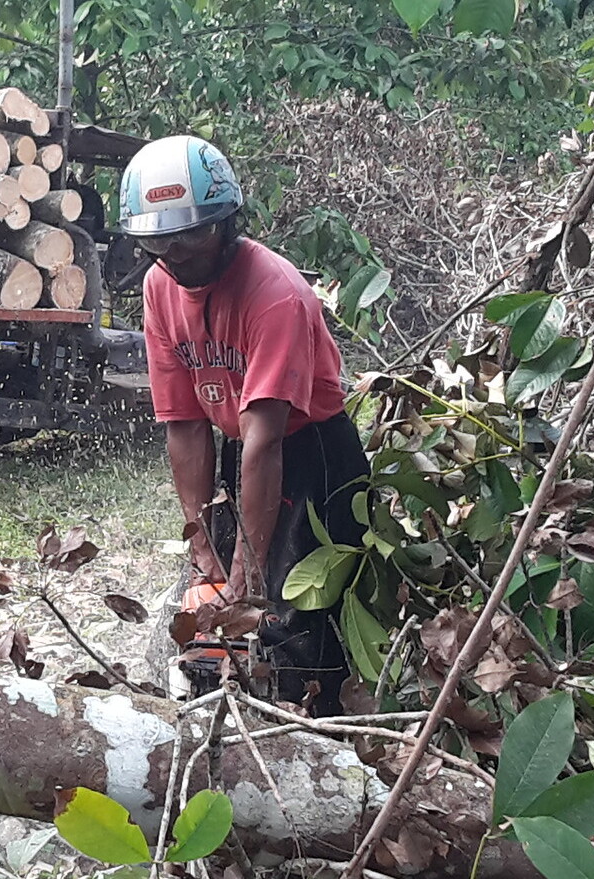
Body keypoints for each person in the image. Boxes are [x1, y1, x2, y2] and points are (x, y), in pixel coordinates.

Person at [119, 135, 369, 715]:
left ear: (226, 222)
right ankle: (216, 717)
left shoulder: (274, 294)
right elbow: (183, 424)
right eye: (159, 240)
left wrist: (247, 569)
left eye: (190, 235)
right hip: (243, 447)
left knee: (291, 612)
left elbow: (267, 441)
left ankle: (311, 732)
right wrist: (200, 536)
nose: (176, 252)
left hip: (315, 456)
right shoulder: (160, 288)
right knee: (215, 603)